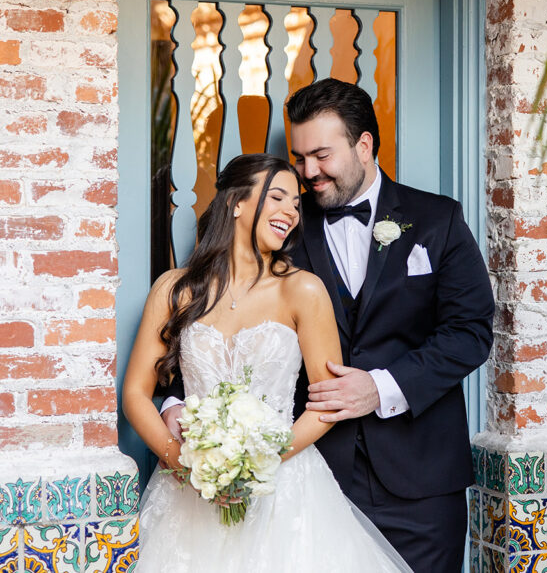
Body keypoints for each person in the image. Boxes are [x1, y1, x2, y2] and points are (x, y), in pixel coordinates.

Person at [123, 153, 412, 573]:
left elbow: (327, 402)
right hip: (190, 492)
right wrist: (186, 463)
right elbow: (135, 393)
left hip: (286, 488)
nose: (291, 212)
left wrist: (259, 464)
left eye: (296, 204)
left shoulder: (303, 290)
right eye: (277, 198)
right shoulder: (174, 289)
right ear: (235, 203)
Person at [285, 78, 495, 571]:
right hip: (316, 479)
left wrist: (380, 389)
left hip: (422, 487)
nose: (308, 172)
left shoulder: (437, 219)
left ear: (364, 144)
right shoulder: (285, 228)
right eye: (299, 158)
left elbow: (470, 332)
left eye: (321, 155)